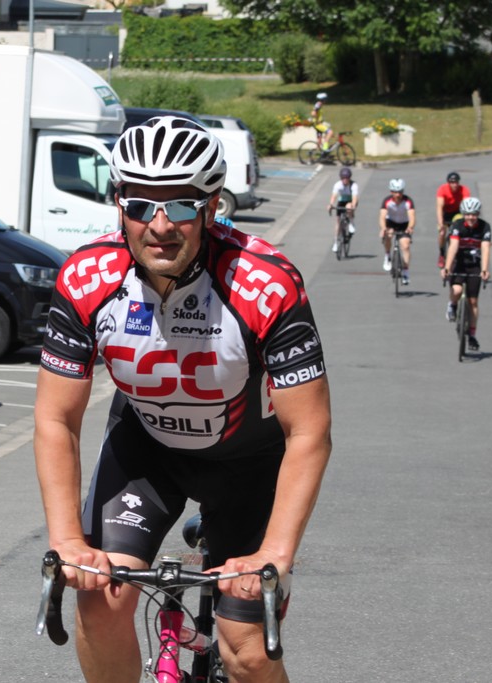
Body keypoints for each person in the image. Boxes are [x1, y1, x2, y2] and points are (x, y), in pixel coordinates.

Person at [34, 116, 332, 683]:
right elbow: (56, 418)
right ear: (118, 204)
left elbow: (310, 430)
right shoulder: (87, 277)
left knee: (246, 650)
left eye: (182, 206)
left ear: (213, 207)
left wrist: (275, 553)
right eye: (140, 206)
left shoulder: (264, 283)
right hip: (147, 454)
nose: (160, 225)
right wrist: (68, 541)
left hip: (250, 465)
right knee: (101, 602)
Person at [440, 196, 491, 351]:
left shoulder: (485, 227)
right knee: (457, 290)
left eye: (474, 214)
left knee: (473, 302)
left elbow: (485, 248)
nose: (471, 218)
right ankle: (452, 305)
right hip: (459, 263)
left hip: (474, 265)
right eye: (468, 214)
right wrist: (447, 267)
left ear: (478, 214)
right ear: (463, 214)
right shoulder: (457, 226)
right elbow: (453, 246)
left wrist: (484, 269)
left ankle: (472, 335)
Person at [379, 178, 416, 284]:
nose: (398, 194)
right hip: (391, 222)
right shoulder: (387, 201)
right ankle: (387, 255)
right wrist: (383, 228)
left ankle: (406, 271)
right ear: (391, 192)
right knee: (388, 235)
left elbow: (412, 217)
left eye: (400, 192)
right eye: (395, 192)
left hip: (404, 224)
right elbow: (382, 216)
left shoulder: (408, 201)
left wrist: (410, 227)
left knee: (405, 245)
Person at [434, 171, 470, 268]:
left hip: (457, 212)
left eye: (456, 182)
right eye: (452, 182)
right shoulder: (442, 189)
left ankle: (458, 252)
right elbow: (439, 207)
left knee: (458, 231)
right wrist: (440, 223)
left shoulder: (464, 190)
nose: (454, 185)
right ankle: (442, 254)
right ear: (448, 183)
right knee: (442, 233)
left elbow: (467, 207)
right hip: (445, 212)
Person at [328, 167, 359, 252]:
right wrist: (331, 204)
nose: (345, 180)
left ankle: (351, 223)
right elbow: (334, 196)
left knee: (349, 206)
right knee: (338, 221)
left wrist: (353, 205)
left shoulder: (354, 185)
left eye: (347, 178)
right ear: (340, 178)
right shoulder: (338, 185)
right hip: (341, 201)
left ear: (350, 178)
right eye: (343, 178)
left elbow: (355, 198)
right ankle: (335, 242)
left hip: (350, 201)